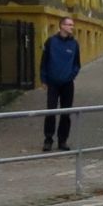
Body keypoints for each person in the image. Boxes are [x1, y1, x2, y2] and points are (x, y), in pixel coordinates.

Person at [39, 17, 81, 152]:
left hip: (67, 83)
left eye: (72, 25)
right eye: (69, 25)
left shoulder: (74, 44)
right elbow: (43, 62)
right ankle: (48, 139)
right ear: (61, 26)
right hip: (52, 83)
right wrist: (44, 80)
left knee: (66, 113)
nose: (71, 27)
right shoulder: (51, 42)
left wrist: (72, 75)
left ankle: (63, 140)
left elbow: (77, 63)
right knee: (51, 111)